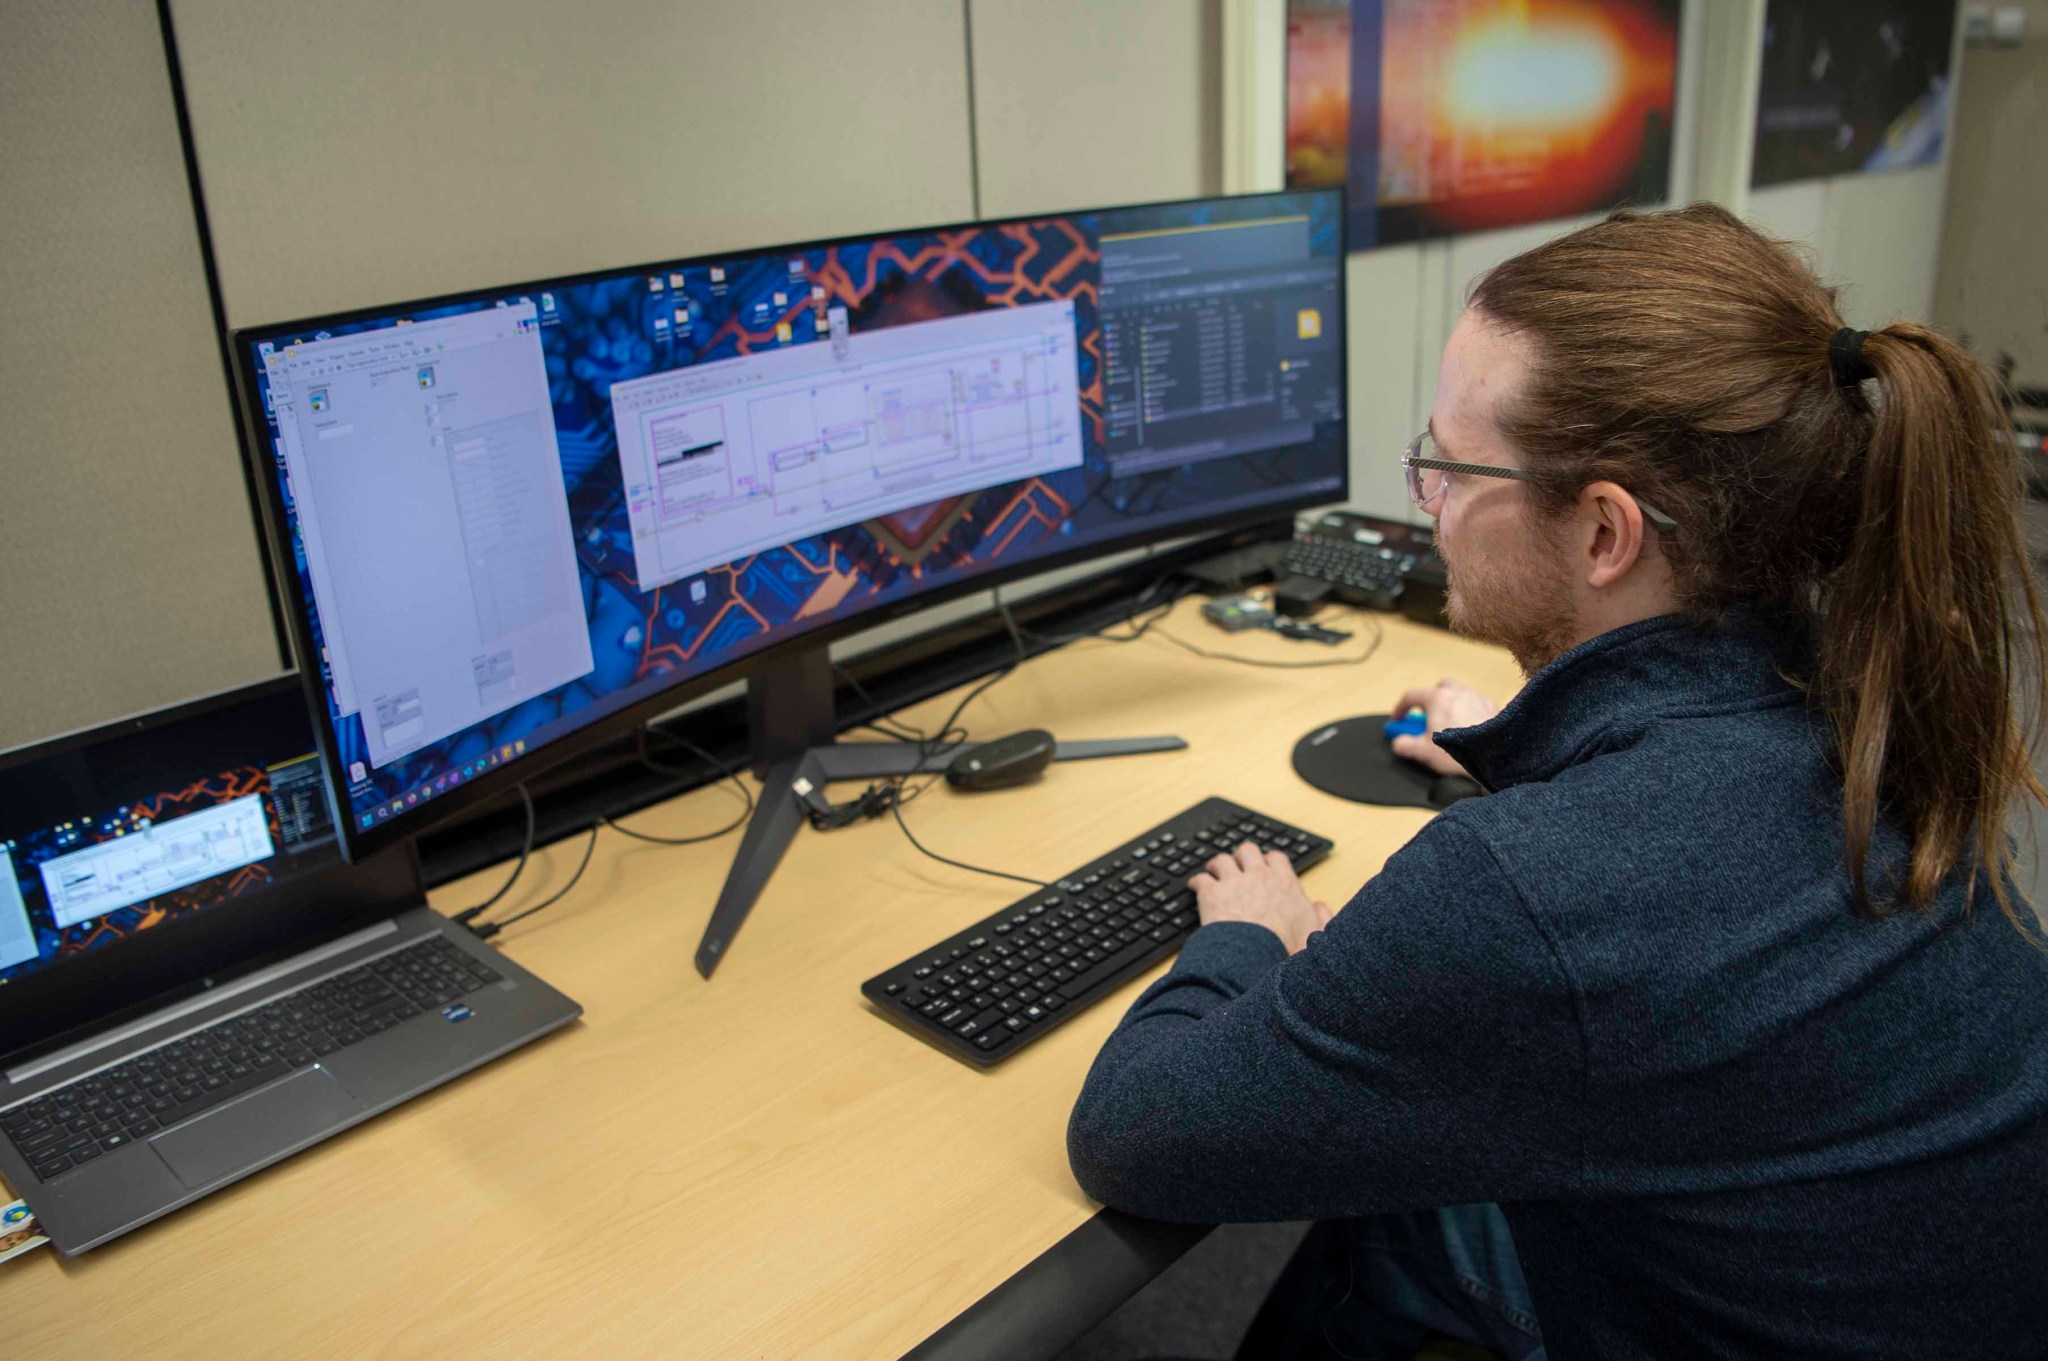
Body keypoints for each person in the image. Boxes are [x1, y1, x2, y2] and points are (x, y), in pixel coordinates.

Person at [1066, 204, 2048, 1359]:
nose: (1424, 501)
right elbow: (1671, 871)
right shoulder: (1871, 698)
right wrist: (1536, 743)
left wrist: (1247, 934)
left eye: (1443, 465)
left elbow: (1134, 1133)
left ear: (1601, 534)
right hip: (1908, 1294)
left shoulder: (1525, 891)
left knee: (1381, 1226)